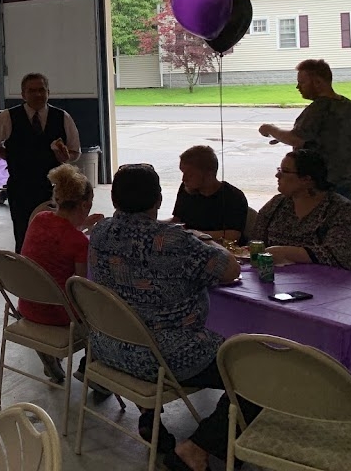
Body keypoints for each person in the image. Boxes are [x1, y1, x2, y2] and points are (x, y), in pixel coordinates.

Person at [87, 163, 251, 471]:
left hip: (109, 347)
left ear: (114, 200)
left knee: (140, 319)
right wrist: (205, 240)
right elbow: (230, 270)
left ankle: (151, 418)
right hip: (165, 357)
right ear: (158, 199)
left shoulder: (100, 232)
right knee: (257, 372)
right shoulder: (176, 242)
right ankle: (197, 448)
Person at [18, 163, 104, 384]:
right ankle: (93, 371)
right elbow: (80, 289)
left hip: (27, 307)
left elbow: (59, 231)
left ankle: (49, 354)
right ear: (85, 204)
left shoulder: (40, 219)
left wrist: (81, 224)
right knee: (103, 313)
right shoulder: (79, 243)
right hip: (58, 316)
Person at [0, 72, 81, 252]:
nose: (37, 94)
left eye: (41, 90)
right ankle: (25, 272)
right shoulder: (8, 116)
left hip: (54, 189)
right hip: (21, 187)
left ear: (48, 92)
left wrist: (66, 157)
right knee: (23, 235)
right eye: (32, 90)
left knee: (55, 236)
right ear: (23, 94)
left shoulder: (62, 117)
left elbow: (75, 151)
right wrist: (8, 156)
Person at [258, 59, 351, 201]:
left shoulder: (319, 108)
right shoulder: (348, 105)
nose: (298, 87)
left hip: (325, 184)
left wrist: (270, 129)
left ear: (318, 82)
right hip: (348, 180)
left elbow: (295, 138)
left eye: (302, 82)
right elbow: (328, 135)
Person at [248, 149, 351, 271]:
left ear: (306, 179)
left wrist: (284, 252)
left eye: (285, 171)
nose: (277, 175)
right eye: (279, 170)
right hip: (274, 276)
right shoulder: (277, 204)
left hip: (329, 283)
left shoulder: (340, 210)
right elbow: (256, 243)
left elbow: (338, 256)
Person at [170, 145, 249, 242]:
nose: (184, 179)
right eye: (182, 173)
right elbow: (177, 221)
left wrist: (193, 234)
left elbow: (233, 235)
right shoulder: (186, 189)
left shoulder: (233, 196)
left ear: (209, 174)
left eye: (190, 174)